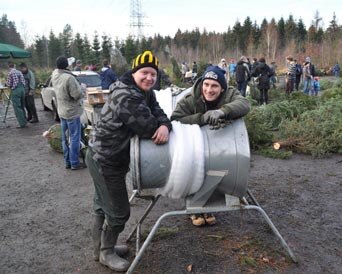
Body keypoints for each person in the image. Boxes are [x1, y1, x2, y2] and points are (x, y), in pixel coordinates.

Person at [86, 50, 171, 272]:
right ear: (134, 72)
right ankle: (106, 252)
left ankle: (102, 248)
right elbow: (146, 126)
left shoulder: (144, 92)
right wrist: (160, 126)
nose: (149, 78)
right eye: (144, 73)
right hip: (104, 159)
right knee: (118, 211)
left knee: (103, 205)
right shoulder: (126, 95)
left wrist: (165, 124)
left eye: (153, 74)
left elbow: (158, 112)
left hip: (108, 157)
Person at [171, 65, 250, 226]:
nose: (209, 89)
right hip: (194, 145)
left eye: (214, 86)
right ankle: (196, 207)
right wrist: (202, 118)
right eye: (206, 85)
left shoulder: (230, 94)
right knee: (195, 170)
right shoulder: (190, 99)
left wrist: (222, 112)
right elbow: (175, 120)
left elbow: (244, 104)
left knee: (217, 169)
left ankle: (207, 205)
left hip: (220, 144)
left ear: (222, 88)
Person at [51, 56, 86, 170]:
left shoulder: (55, 74)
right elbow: (76, 95)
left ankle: (67, 162)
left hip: (61, 111)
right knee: (74, 138)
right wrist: (82, 88)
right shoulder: (68, 78)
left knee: (64, 138)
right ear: (67, 65)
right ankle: (75, 163)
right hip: (71, 112)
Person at [6, 62, 27, 128]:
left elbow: (9, 84)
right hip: (22, 90)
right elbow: (23, 81)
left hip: (16, 90)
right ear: (14, 66)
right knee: (22, 106)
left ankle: (22, 124)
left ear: (9, 67)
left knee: (17, 108)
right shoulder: (19, 72)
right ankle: (25, 121)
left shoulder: (10, 73)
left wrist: (7, 84)